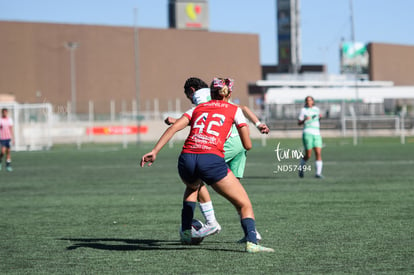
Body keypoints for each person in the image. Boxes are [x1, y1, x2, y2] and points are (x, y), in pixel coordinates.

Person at [141, 78, 274, 253]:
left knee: (192, 188)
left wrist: (155, 151)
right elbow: (247, 145)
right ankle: (252, 243)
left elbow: (174, 128)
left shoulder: (196, 108)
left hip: (186, 158)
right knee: (244, 204)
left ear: (210, 93)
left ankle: (186, 232)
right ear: (230, 93)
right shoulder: (234, 109)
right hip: (210, 159)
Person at [297, 96, 323, 178]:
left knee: (318, 153)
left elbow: (318, 119)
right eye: (307, 100)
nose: (309, 101)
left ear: (313, 101)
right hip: (307, 133)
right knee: (308, 154)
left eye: (310, 100)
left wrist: (320, 117)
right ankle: (301, 168)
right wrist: (304, 120)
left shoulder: (316, 109)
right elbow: (299, 122)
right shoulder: (303, 110)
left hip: (317, 133)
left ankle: (318, 174)